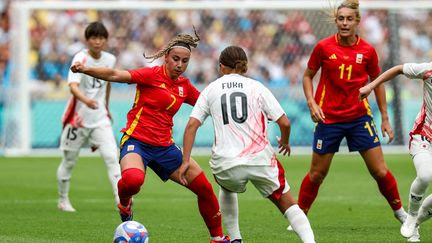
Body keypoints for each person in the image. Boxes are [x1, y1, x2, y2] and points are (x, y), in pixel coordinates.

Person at [70, 30, 230, 243]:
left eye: (185, 61)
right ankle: (125, 203)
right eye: (175, 59)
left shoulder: (185, 87)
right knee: (133, 181)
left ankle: (218, 239)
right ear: (166, 57)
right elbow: (116, 75)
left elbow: (209, 105)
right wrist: (86, 70)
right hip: (136, 141)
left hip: (165, 148)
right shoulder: (150, 75)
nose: (180, 64)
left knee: (205, 189)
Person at [182, 45, 315, 243]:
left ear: (221, 67)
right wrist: (285, 142)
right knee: (287, 203)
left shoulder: (211, 89)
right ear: (244, 66)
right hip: (260, 159)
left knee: (226, 187)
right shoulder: (257, 87)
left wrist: (185, 160)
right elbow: (285, 122)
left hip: (226, 162)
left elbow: (192, 126)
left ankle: (236, 239)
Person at [298, 0, 407, 226]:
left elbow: (378, 82)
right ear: (336, 21)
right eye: (341, 19)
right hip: (328, 119)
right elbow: (308, 75)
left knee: (379, 171)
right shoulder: (323, 47)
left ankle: (400, 212)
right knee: (317, 174)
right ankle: (299, 217)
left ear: (357, 22)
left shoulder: (367, 50)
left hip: (359, 118)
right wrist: (311, 102)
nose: (344, 23)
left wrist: (385, 118)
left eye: (349, 19)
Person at [359, 62, 432, 242]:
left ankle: (413, 223)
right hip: (424, 136)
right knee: (425, 176)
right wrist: (371, 85)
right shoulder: (428, 70)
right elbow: (399, 69)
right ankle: (412, 215)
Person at [57, 21, 120, 212]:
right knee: (69, 160)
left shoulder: (110, 60)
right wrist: (86, 101)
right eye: (94, 37)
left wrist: (106, 107)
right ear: (87, 40)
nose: (98, 41)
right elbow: (73, 86)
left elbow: (108, 81)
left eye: (101, 37)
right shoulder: (80, 59)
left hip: (100, 119)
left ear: (106, 40)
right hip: (78, 120)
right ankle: (63, 200)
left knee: (112, 158)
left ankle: (121, 202)